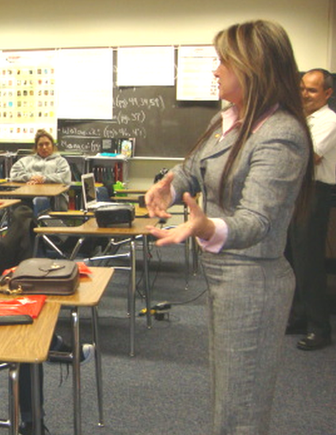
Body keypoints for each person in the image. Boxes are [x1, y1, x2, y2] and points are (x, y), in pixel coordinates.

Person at [144, 20, 313, 434]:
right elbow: (193, 168)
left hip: (253, 280)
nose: (216, 70)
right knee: (229, 395)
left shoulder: (281, 134)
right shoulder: (231, 119)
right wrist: (169, 187)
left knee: (242, 407)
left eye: (224, 62)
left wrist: (205, 227)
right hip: (225, 276)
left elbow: (257, 220)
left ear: (253, 68)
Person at [286, 68, 336, 351]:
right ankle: (298, 317)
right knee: (291, 258)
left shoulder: (329, 120)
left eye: (312, 90)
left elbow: (309, 157)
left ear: (327, 93)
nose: (305, 94)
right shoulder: (300, 118)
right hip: (297, 191)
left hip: (315, 192)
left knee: (309, 262)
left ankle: (320, 328)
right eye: (303, 88)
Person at [9, 129, 71, 210]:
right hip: (28, 197)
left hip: (54, 198)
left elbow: (64, 178)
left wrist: (43, 179)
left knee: (42, 201)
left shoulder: (61, 161)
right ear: (36, 147)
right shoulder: (26, 161)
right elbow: (14, 174)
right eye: (40, 145)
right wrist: (30, 177)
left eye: (47, 144)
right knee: (18, 211)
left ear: (52, 145)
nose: (44, 147)